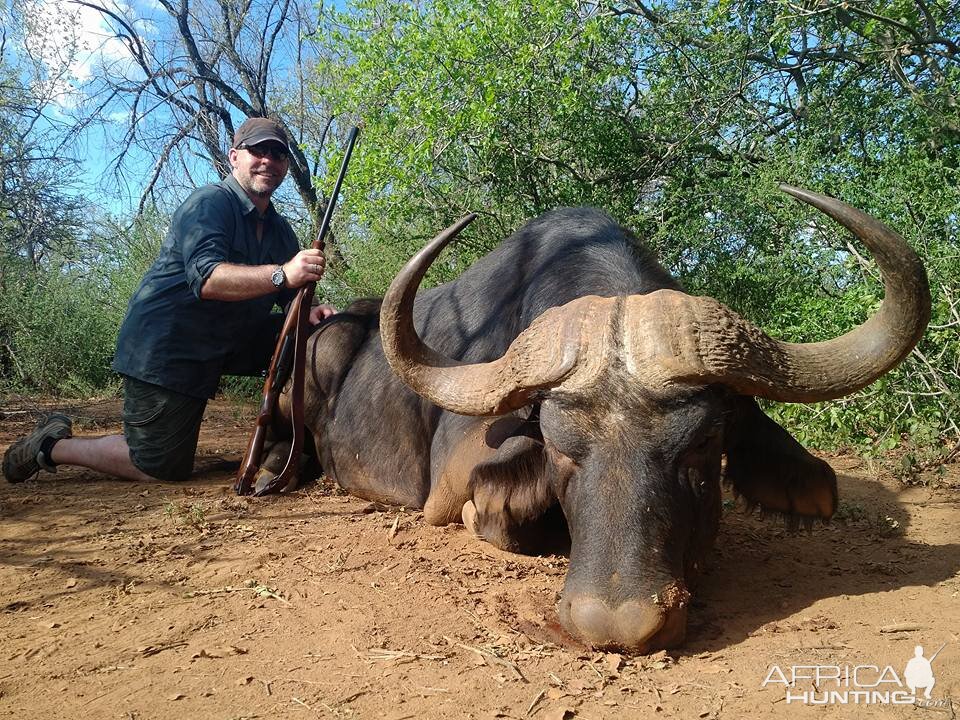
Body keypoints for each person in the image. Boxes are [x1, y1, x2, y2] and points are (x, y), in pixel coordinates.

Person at [3, 117, 334, 484]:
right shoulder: (208, 204)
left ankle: (290, 436)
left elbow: (291, 303)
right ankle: (51, 445)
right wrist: (282, 273)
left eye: (278, 154)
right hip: (167, 347)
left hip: (225, 341)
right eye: (258, 151)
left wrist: (309, 311)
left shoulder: (279, 228)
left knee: (320, 333)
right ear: (234, 157)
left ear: (286, 165)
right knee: (157, 467)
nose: (268, 161)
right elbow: (207, 279)